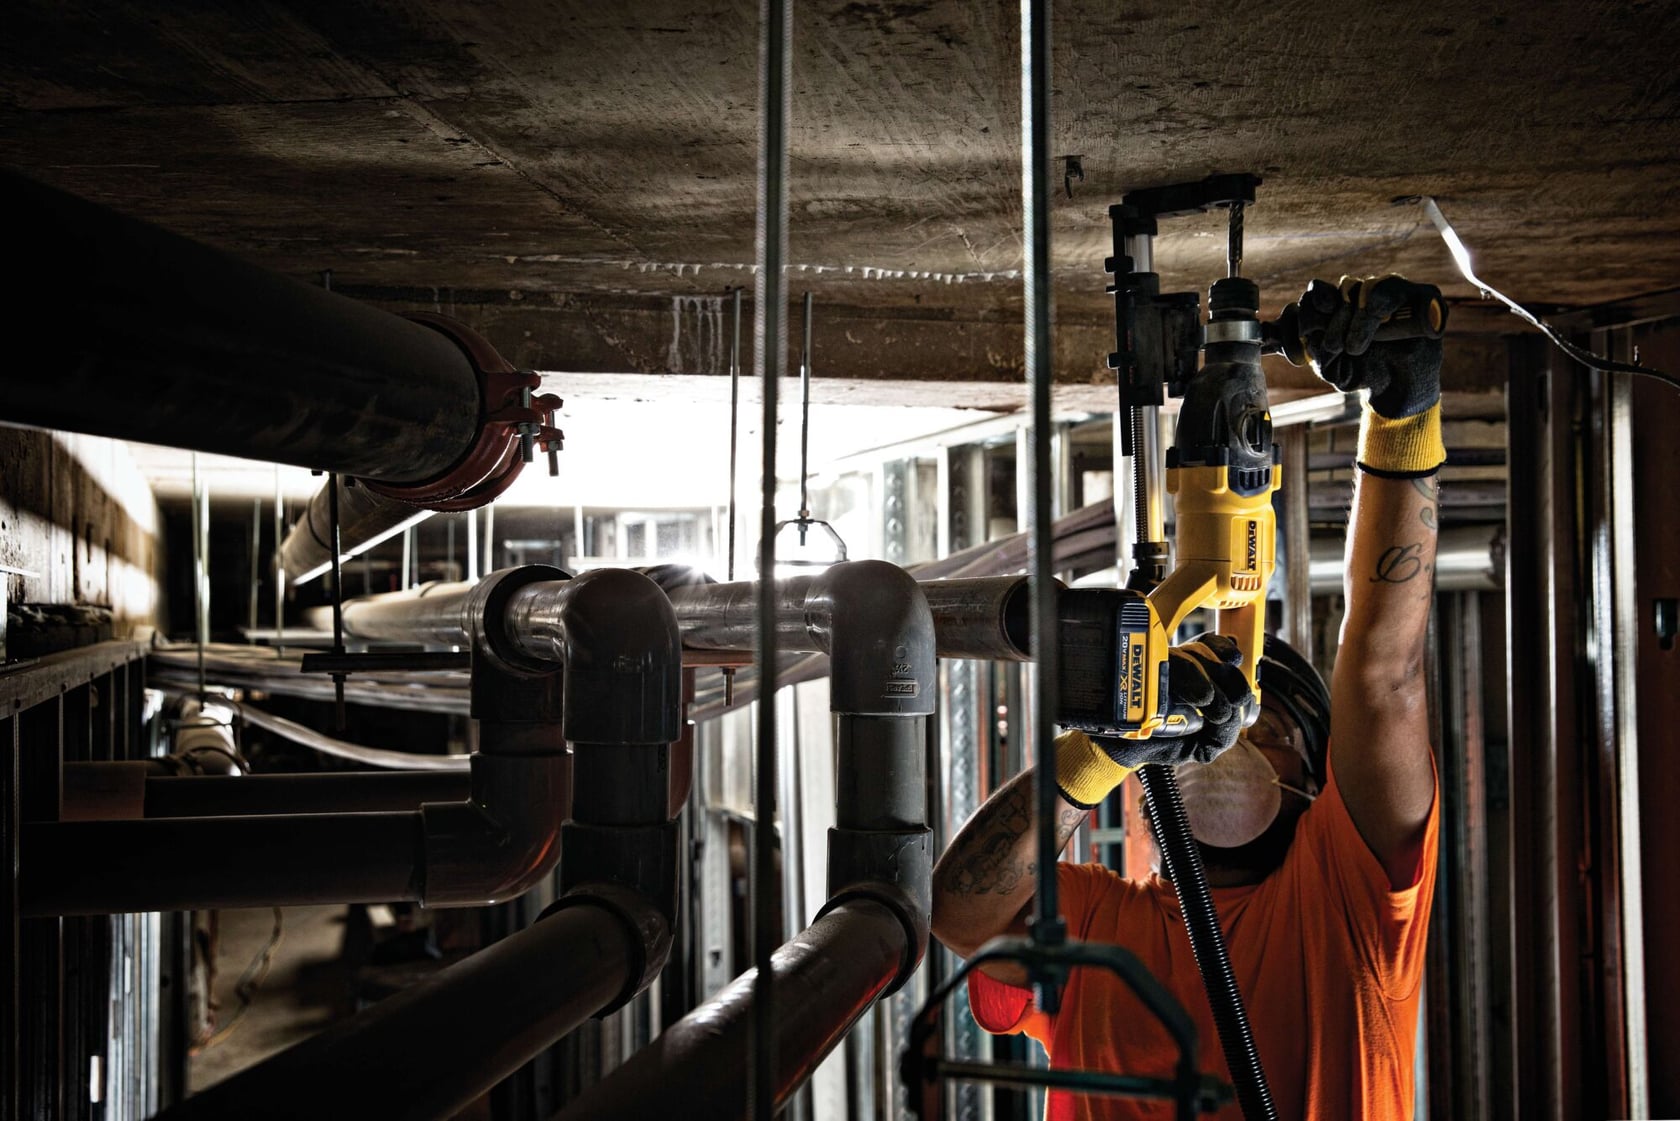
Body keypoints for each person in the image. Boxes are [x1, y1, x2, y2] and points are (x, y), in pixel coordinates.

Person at [930, 275, 1445, 1121]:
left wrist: (1404, 420)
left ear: (1317, 777)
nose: (1220, 740)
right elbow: (961, 913)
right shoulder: (1098, 921)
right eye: (1199, 715)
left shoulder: (1348, 902)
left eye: (1259, 722)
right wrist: (1099, 752)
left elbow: (1384, 675)